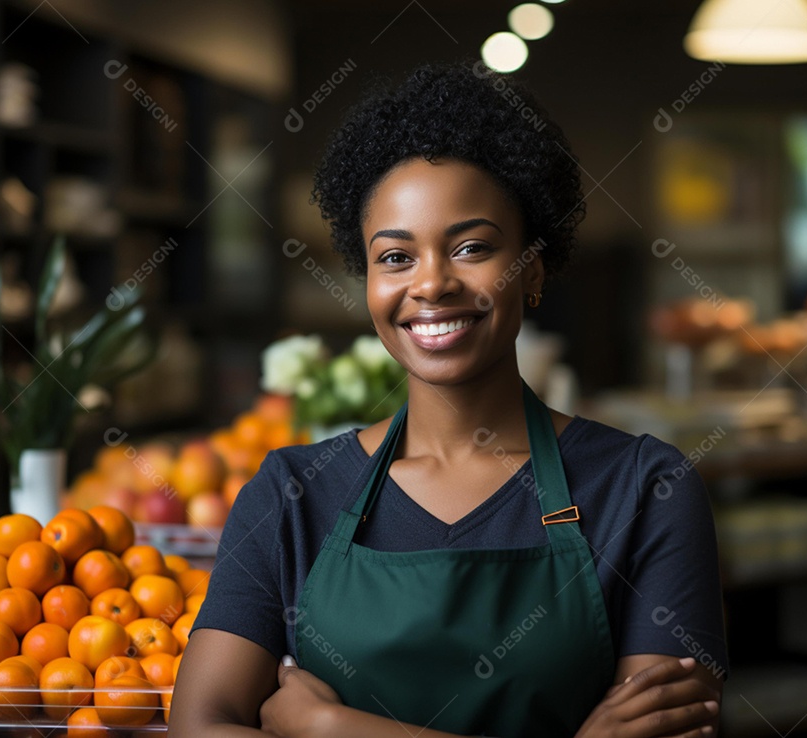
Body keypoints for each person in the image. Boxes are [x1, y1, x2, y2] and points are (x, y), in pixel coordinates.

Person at [169, 59, 727, 738]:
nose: (431, 284)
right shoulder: (291, 496)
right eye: (396, 257)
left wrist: (329, 730)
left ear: (534, 270)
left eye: (471, 247)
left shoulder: (647, 490)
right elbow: (199, 726)